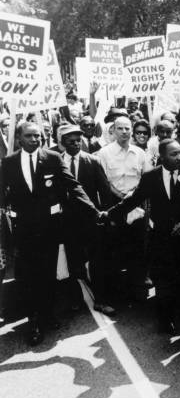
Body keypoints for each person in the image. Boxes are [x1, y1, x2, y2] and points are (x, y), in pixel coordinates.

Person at [0, 122, 102, 345]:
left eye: (38, 136)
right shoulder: (8, 163)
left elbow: (73, 186)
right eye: (29, 136)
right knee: (27, 276)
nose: (35, 140)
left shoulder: (53, 159)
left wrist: (93, 210)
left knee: (48, 273)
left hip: (49, 228)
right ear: (18, 138)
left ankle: (46, 314)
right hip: (24, 230)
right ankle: (33, 321)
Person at [108, 139, 180, 335]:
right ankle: (165, 321)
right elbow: (134, 199)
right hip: (162, 240)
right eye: (174, 154)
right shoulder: (151, 177)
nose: (179, 157)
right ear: (161, 157)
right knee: (164, 282)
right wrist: (109, 214)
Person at [60, 124, 115, 316]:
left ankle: (101, 299)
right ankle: (75, 299)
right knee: (73, 261)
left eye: (78, 140)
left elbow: (105, 192)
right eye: (70, 140)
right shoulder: (55, 162)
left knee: (97, 261)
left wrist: (106, 215)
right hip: (66, 221)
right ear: (62, 142)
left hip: (91, 220)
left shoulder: (92, 161)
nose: (75, 143)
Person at [96, 116, 149, 306]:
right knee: (116, 252)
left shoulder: (139, 153)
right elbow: (104, 182)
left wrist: (134, 198)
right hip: (115, 207)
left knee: (138, 251)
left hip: (137, 209)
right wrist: (122, 198)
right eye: (120, 129)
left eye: (128, 128)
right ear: (113, 131)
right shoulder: (104, 153)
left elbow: (145, 179)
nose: (125, 132)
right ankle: (118, 294)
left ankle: (138, 292)